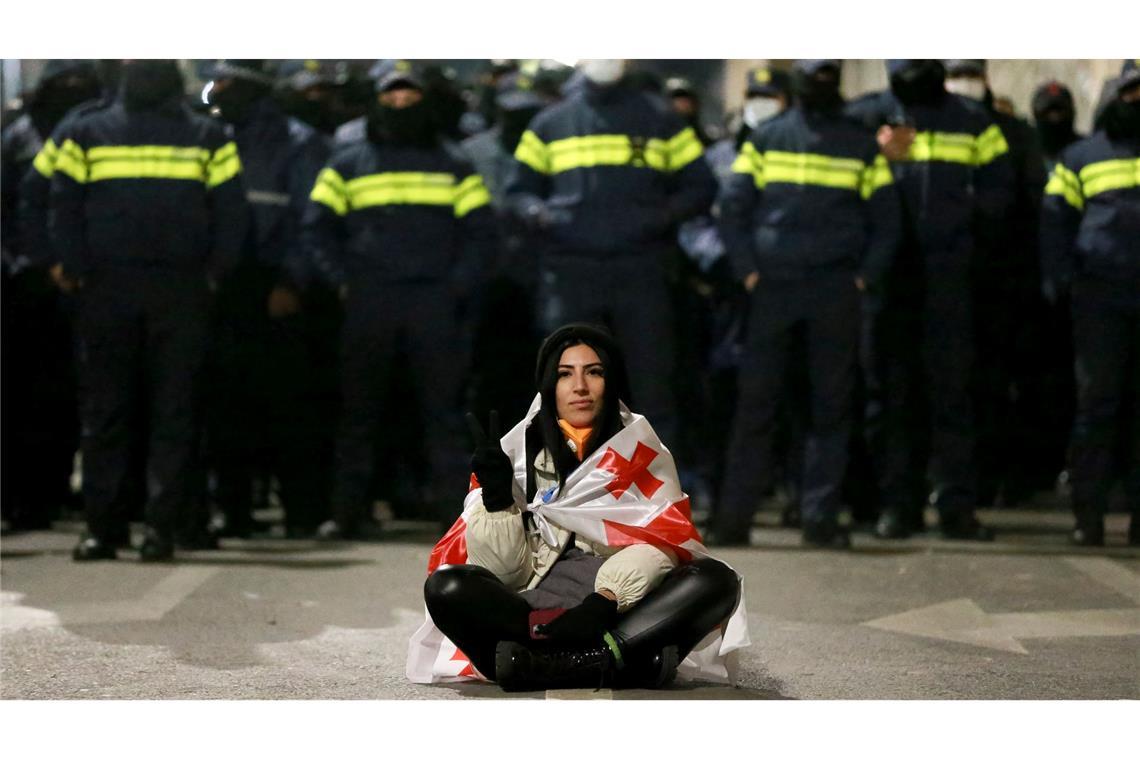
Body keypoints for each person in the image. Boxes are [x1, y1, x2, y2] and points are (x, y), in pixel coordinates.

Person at [409, 323, 747, 691]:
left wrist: (604, 601)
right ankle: (620, 665)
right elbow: (501, 572)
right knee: (446, 586)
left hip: (619, 615)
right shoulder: (516, 454)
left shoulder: (642, 450)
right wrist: (498, 502)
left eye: (595, 372)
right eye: (565, 374)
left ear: (612, 382)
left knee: (717, 580)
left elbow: (664, 546)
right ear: (549, 387)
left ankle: (547, 666)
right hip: (533, 616)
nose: (580, 387)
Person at [51, 60, 248, 561]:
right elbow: (64, 203)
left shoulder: (207, 134)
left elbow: (230, 212)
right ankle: (105, 527)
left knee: (170, 413)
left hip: (175, 288)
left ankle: (159, 527)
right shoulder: (87, 129)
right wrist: (74, 264)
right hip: (111, 285)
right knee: (109, 412)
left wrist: (214, 273)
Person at [303, 62, 496, 538]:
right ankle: (347, 513)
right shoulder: (348, 161)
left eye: (410, 97)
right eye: (392, 96)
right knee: (358, 411)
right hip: (371, 298)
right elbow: (316, 227)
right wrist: (342, 280)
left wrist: (455, 287)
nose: (401, 104)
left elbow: (481, 234)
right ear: (377, 100)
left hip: (432, 299)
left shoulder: (453, 162)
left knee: (443, 413)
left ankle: (457, 519)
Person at [713, 60, 901, 549]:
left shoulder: (858, 143)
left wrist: (862, 279)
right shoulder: (768, 138)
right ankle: (737, 518)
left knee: (828, 407)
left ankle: (818, 516)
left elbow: (886, 222)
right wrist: (749, 271)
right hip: (776, 286)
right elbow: (733, 209)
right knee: (759, 403)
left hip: (833, 288)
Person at [505, 59, 718, 450]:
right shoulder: (552, 122)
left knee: (651, 386)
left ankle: (655, 495)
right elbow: (518, 191)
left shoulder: (661, 119)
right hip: (571, 270)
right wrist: (541, 214)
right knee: (568, 388)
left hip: (641, 269)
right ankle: (567, 493)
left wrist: (661, 216)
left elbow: (700, 185)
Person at [847, 60, 1013, 541]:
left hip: (948, 278)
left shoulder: (973, 119)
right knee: (892, 396)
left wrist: (961, 236)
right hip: (887, 279)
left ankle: (957, 507)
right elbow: (840, 188)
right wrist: (878, 156)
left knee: (953, 394)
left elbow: (1000, 193)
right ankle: (898, 506)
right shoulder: (866, 115)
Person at [201, 60, 332, 539]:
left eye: (226, 80)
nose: (217, 89)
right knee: (226, 405)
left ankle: (301, 510)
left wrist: (292, 282)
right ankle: (233, 509)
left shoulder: (297, 141)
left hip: (275, 286)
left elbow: (309, 218)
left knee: (288, 405)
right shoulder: (213, 133)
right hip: (226, 284)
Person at [1040, 60, 1140, 547]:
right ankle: (1089, 515)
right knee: (1096, 407)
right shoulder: (1081, 156)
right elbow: (1055, 223)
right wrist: (1064, 282)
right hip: (1101, 300)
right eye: (1131, 93)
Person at [944, 59, 1050, 507]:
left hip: (999, 283)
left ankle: (993, 480)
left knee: (995, 387)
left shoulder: (1012, 134)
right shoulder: (931, 122)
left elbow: (1027, 206)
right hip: (945, 281)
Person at [2, 60, 100, 533]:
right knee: (28, 395)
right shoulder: (19, 136)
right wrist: (31, 261)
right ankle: (27, 495)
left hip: (86, 281)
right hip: (29, 285)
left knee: (72, 396)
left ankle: (59, 487)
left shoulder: (94, 130)